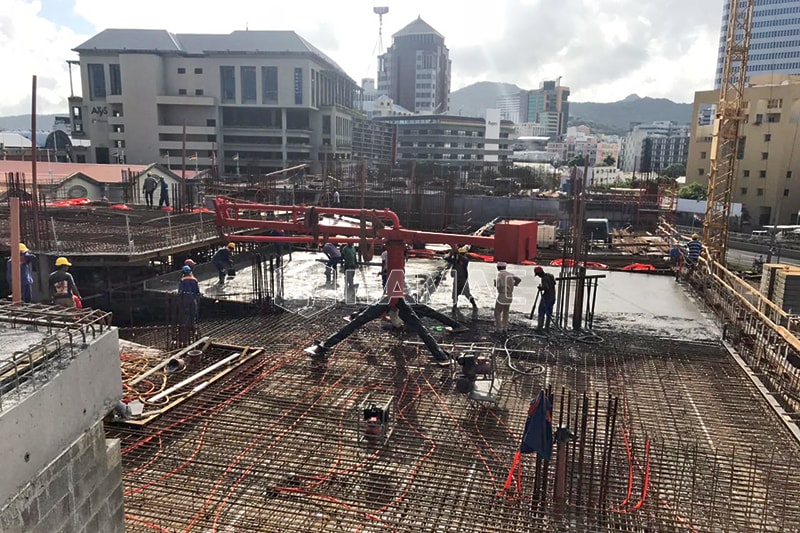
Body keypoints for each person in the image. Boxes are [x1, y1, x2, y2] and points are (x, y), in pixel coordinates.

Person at [444, 246, 478, 311]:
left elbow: (463, 259)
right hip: (456, 280)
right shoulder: (455, 261)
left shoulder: (465, 260)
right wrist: (452, 252)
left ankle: (474, 305)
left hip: (463, 280)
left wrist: (457, 253)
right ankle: (454, 306)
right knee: (455, 294)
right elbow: (446, 258)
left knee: (467, 293)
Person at [494, 262, 521, 335]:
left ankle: (499, 329)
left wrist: (496, 285)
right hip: (510, 295)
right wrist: (515, 284)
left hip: (502, 294)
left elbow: (497, 284)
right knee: (506, 312)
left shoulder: (499, 274)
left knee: (497, 312)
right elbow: (518, 279)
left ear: (498, 268)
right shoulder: (510, 274)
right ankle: (504, 327)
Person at [177, 265, 201, 344]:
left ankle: (184, 328)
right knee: (193, 313)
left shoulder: (182, 280)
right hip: (192, 299)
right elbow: (197, 291)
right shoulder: (194, 280)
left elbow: (180, 291)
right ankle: (192, 327)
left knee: (185, 314)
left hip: (185, 300)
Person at [534, 266, 556, 332]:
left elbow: (546, 287)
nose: (538, 276)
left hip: (547, 297)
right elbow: (554, 283)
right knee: (549, 312)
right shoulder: (550, 275)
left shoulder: (544, 278)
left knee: (541, 311)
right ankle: (547, 328)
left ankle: (540, 327)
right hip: (553, 296)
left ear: (540, 273)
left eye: (538, 274)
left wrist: (541, 288)